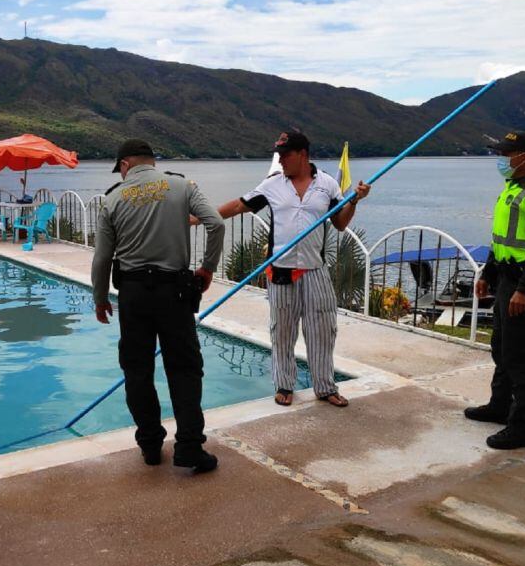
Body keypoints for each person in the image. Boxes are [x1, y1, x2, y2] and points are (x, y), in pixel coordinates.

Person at [91, 138, 226, 473]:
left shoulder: (112, 199)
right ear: (151, 162)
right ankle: (190, 448)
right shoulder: (181, 186)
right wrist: (208, 266)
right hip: (175, 292)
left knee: (137, 371)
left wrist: (99, 298)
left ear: (124, 165)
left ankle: (150, 446)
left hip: (133, 294)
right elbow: (216, 223)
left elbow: (102, 258)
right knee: (184, 369)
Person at [210, 130, 370, 407]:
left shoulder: (328, 185)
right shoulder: (272, 185)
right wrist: (201, 217)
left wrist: (353, 200)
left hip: (315, 269)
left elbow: (340, 224)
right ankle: (284, 384)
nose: (281, 160)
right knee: (282, 330)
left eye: (285, 155)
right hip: (281, 268)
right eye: (279, 155)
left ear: (302, 155)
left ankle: (325, 387)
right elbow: (240, 205)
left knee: (322, 329)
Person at [466, 131, 525, 450]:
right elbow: (500, 238)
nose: (502, 160)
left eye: (507, 154)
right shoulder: (510, 190)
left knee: (520, 356)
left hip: (522, 283)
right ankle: (499, 405)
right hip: (504, 278)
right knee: (501, 346)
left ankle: (521, 425)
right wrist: (486, 274)